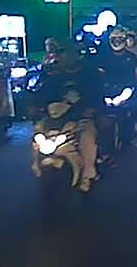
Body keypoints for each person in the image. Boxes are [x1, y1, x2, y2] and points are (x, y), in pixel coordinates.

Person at [35, 49, 104, 191]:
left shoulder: (89, 76)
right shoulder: (54, 77)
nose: (63, 57)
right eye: (60, 54)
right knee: (38, 133)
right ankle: (35, 164)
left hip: (79, 119)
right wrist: (35, 107)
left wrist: (89, 110)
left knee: (87, 136)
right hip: (56, 119)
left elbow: (97, 98)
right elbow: (42, 97)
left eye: (65, 53)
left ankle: (87, 174)